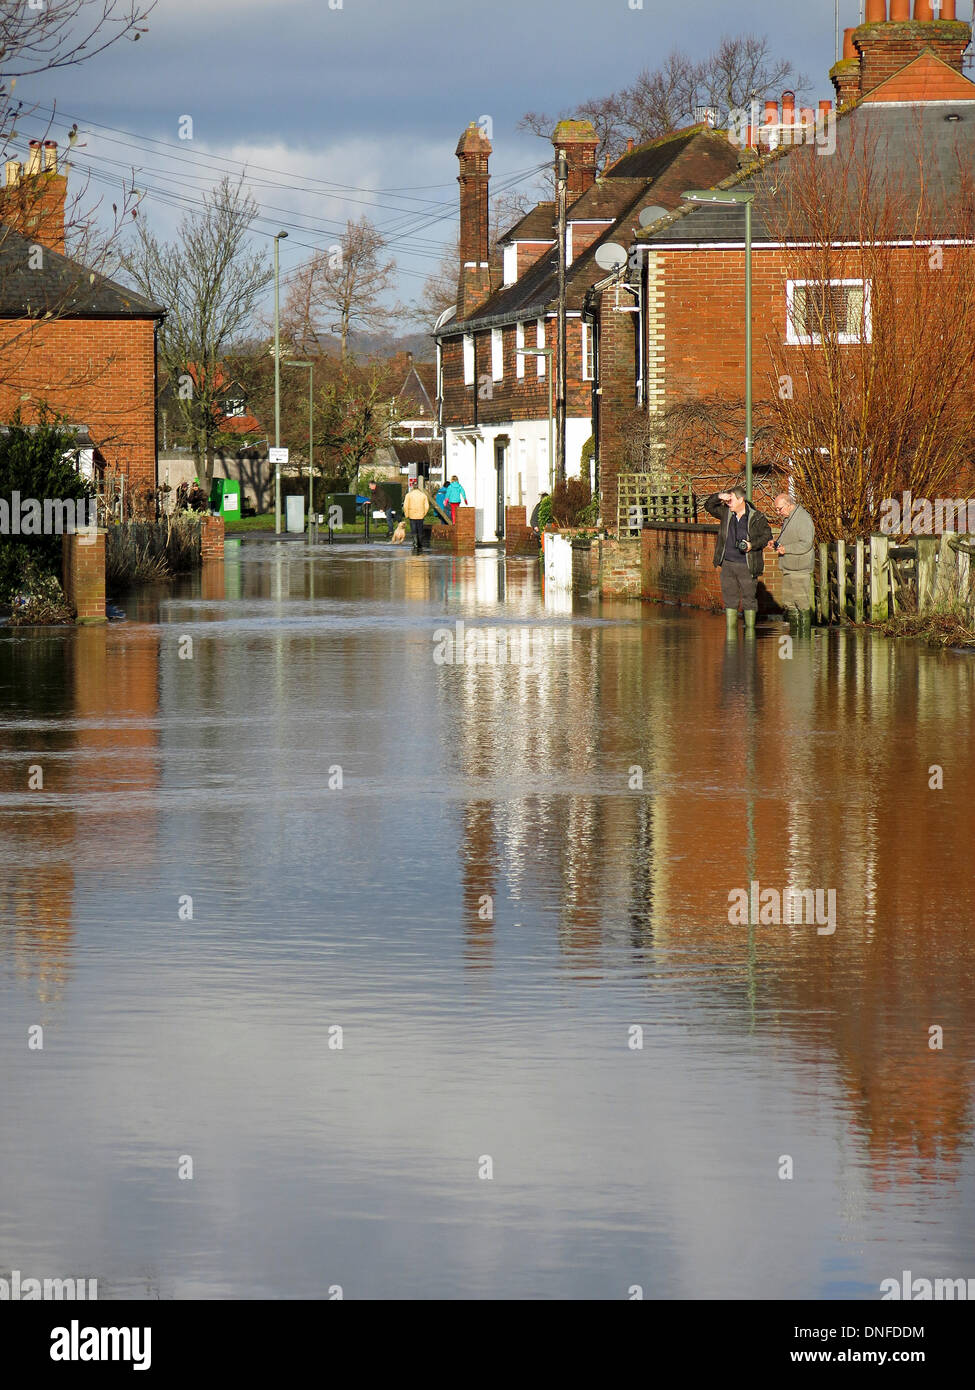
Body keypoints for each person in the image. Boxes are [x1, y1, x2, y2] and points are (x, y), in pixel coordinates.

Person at [704, 486, 773, 635]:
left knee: (749, 599)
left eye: (731, 499)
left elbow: (767, 536)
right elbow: (708, 506)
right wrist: (720, 496)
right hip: (728, 564)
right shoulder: (726, 513)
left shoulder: (756, 517)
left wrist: (751, 545)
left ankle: (749, 634)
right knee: (730, 599)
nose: (729, 502)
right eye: (727, 500)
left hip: (747, 564)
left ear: (741, 499)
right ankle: (731, 635)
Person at [771, 492, 815, 624]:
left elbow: (806, 543)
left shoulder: (803, 518)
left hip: (800, 568)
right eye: (776, 509)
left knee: (801, 603)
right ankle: (795, 638)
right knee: (789, 603)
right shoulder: (789, 518)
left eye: (779, 509)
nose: (778, 512)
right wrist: (776, 544)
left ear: (789, 505)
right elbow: (789, 539)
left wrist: (786, 549)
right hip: (788, 567)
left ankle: (803, 640)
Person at [403, 479, 431, 552]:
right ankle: (420, 543)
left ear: (412, 486)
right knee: (420, 528)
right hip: (420, 514)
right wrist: (424, 513)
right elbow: (427, 506)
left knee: (413, 529)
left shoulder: (408, 495)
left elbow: (405, 506)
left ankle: (415, 543)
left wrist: (406, 514)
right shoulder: (423, 495)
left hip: (412, 514)